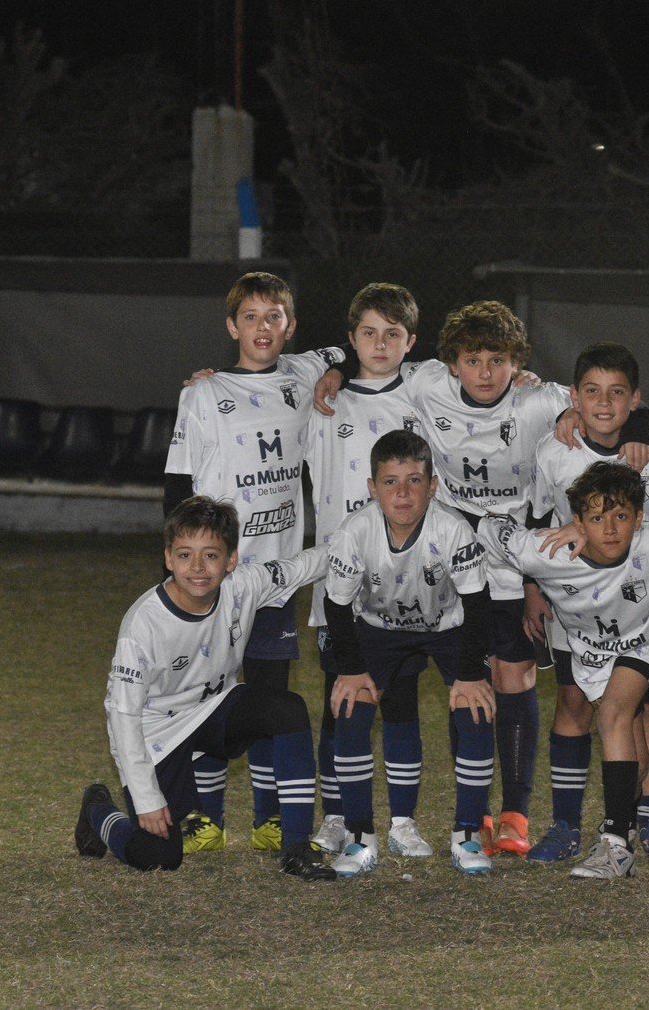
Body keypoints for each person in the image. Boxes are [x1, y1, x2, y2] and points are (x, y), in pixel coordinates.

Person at [397, 301, 649, 858]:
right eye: (473, 360)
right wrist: (337, 368)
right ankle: (472, 814)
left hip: (521, 557)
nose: (485, 372)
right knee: (467, 680)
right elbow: (370, 355)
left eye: (498, 360)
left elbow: (616, 403)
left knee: (514, 678)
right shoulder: (426, 385)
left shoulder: (542, 399)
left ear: (518, 363)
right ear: (452, 363)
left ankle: (514, 815)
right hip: (454, 555)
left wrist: (631, 424)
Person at [163, 271, 344, 853]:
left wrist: (337, 370)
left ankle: (269, 819)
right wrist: (180, 571)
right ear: (230, 325)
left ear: (289, 326)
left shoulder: (302, 372)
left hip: (276, 576)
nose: (263, 328)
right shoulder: (202, 395)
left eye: (274, 318)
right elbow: (178, 486)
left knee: (270, 695)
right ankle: (204, 818)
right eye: (251, 317)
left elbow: (352, 349)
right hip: (216, 579)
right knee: (204, 697)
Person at [74, 496, 335, 880]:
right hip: (157, 733)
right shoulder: (143, 626)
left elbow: (302, 566)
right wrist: (146, 800)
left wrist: (363, 536)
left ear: (231, 560)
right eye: (185, 555)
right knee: (158, 854)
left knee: (287, 709)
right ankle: (98, 811)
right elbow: (123, 714)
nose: (197, 568)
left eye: (210, 555)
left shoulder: (243, 586)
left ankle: (297, 846)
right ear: (168, 558)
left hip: (215, 709)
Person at [481, 462, 649, 878]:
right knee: (634, 758)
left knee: (612, 715)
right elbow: (489, 525)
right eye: (596, 518)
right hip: (590, 654)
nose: (610, 529)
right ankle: (621, 821)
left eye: (621, 516)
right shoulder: (546, 550)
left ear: (641, 518)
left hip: (648, 641)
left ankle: (616, 844)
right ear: (577, 521)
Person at [526, 342, 649, 865]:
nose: (603, 403)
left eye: (617, 394)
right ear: (573, 397)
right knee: (573, 703)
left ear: (635, 400)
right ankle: (566, 824)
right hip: (576, 607)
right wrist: (533, 589)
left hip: (647, 601)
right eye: (591, 392)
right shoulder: (554, 450)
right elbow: (536, 523)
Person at [320, 430, 497, 876]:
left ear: (433, 486)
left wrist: (471, 672)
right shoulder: (355, 532)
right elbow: (336, 605)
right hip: (378, 630)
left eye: (415, 481)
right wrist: (352, 669)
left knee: (475, 710)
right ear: (372, 488)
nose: (403, 493)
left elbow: (478, 605)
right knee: (349, 709)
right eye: (391, 482)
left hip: (446, 628)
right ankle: (361, 837)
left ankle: (466, 835)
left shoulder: (453, 529)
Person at [303, 283, 423, 857]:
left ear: (411, 342)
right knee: (341, 699)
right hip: (342, 582)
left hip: (407, 584)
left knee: (399, 701)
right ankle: (335, 815)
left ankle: (402, 822)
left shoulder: (426, 396)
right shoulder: (324, 402)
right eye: (368, 333)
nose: (380, 344)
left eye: (392, 334)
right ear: (350, 340)